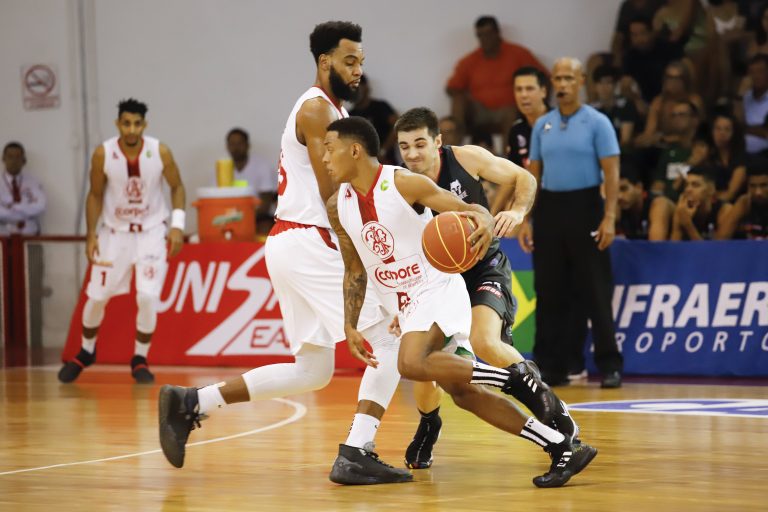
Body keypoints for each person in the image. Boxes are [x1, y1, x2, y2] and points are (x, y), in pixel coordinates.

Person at [157, 21, 411, 486]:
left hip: (293, 241)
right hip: (312, 239)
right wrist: (362, 260)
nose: (358, 70)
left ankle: (193, 403)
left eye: (361, 61)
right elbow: (334, 195)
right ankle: (356, 450)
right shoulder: (317, 110)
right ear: (324, 62)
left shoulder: (330, 109)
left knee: (313, 370)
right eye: (349, 61)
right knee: (390, 340)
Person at [325, 115, 597, 488]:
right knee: (464, 394)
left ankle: (512, 377)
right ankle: (561, 447)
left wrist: (486, 219)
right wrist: (350, 323)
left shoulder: (404, 182)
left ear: (355, 150)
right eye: (405, 145)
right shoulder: (337, 205)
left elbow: (472, 210)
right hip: (408, 301)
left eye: (329, 149)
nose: (324, 158)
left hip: (438, 287)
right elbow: (355, 269)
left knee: (411, 362)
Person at [395, 107, 580, 470]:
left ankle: (556, 414)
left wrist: (517, 212)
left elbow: (524, 177)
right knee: (425, 365)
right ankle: (429, 423)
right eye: (404, 147)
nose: (412, 154)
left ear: (437, 141)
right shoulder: (400, 186)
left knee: (485, 343)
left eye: (419, 144)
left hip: (482, 267)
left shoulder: (466, 159)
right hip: (434, 282)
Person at [58, 98, 186, 384]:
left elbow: (177, 186)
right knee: (96, 297)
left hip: (151, 232)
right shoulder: (103, 154)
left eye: (137, 124)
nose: (131, 129)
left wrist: (177, 225)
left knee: (147, 298)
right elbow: (94, 195)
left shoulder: (160, 151)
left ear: (144, 125)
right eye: (126, 123)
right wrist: (91, 234)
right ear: (118, 123)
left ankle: (140, 358)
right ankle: (86, 351)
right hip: (114, 233)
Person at [514, 58, 624, 389]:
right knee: (549, 290)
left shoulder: (597, 122)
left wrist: (609, 216)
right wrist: (526, 218)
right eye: (558, 78)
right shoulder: (542, 125)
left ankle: (609, 364)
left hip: (587, 206)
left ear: (581, 82)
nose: (562, 84)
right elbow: (533, 175)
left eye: (568, 78)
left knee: (595, 289)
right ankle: (551, 366)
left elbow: (612, 173)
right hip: (550, 209)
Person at [446, 16, 546, 139]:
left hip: (509, 109)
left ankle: (508, 151)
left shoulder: (518, 54)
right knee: (458, 101)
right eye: (480, 35)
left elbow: (543, 77)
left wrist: (542, 103)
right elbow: (452, 87)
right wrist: (464, 97)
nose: (484, 39)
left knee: (511, 111)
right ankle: (453, 148)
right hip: (480, 111)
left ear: (497, 33)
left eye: (488, 34)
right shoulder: (470, 60)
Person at [222, 128, 277, 236]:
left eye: (239, 143)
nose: (236, 148)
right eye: (232, 144)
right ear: (227, 146)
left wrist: (243, 217)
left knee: (264, 227)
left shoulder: (262, 166)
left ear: (248, 145)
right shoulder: (222, 169)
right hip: (230, 217)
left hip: (259, 217)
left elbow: (265, 204)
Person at [669, 165, 731, 240]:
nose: (688, 190)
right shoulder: (682, 210)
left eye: (695, 185)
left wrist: (688, 224)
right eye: (686, 185)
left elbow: (719, 247)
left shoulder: (724, 211)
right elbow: (675, 246)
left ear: (711, 190)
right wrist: (677, 224)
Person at [505, 67, 549, 170]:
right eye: (518, 89)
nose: (523, 95)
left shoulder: (559, 123)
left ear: (543, 91)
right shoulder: (516, 130)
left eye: (529, 89)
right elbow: (514, 172)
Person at [616, 161, 674, 240]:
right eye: (614, 191)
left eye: (623, 189)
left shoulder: (659, 205)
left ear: (639, 187)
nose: (619, 196)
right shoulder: (619, 208)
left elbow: (656, 245)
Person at [349, 75, 399, 163]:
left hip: (387, 163)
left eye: (356, 88)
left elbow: (398, 126)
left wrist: (383, 151)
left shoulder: (380, 107)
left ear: (366, 88)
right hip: (363, 165)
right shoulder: (349, 115)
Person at [1, 142, 46, 235]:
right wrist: (25, 208)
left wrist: (14, 207)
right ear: (3, 159)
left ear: (24, 161)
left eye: (18, 157)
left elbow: (40, 206)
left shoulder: (33, 182)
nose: (14, 161)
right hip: (3, 232)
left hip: (29, 232)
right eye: (10, 156)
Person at [716, 160, 768, 239]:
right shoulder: (745, 203)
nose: (758, 192)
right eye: (752, 186)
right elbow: (720, 239)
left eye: (764, 185)